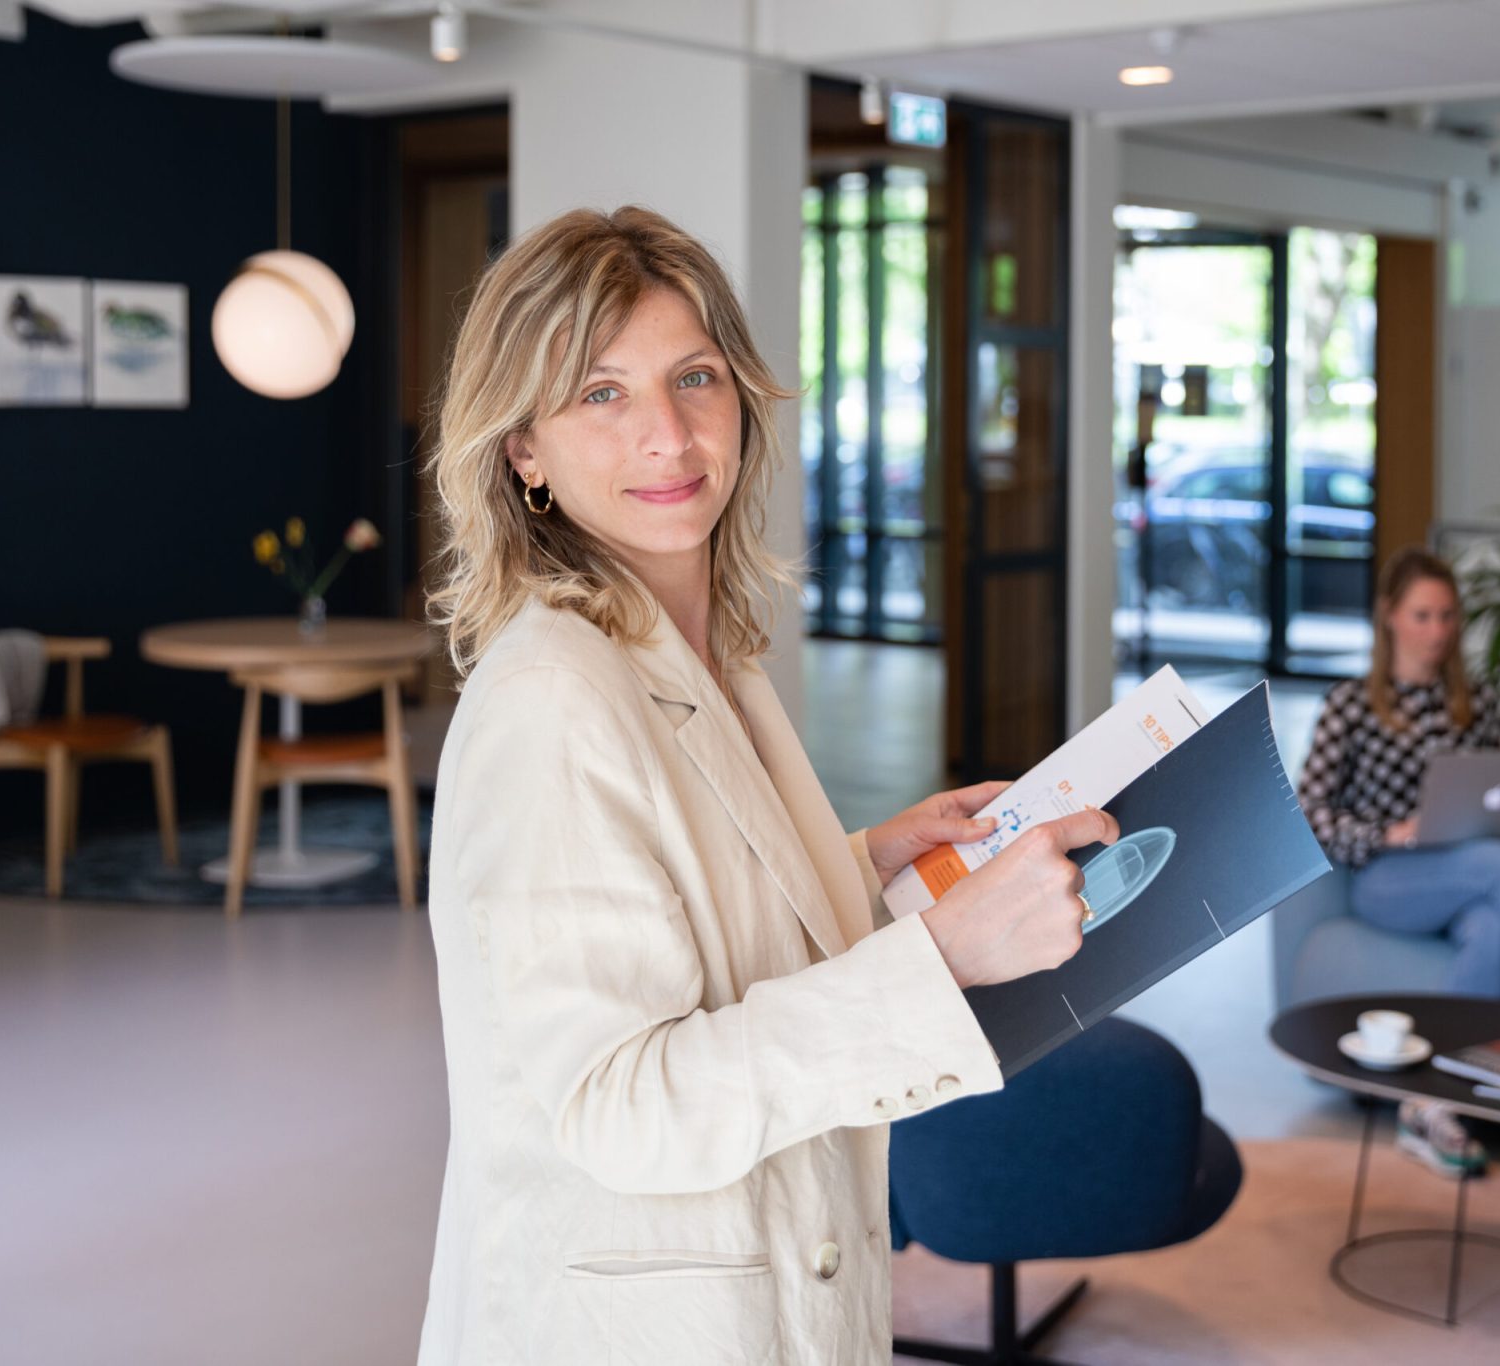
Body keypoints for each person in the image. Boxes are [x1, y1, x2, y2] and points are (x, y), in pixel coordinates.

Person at [415, 205, 1118, 1366]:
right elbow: (618, 1104)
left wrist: (865, 861)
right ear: (522, 450)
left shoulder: (707, 652)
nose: (668, 434)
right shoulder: (550, 698)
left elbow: (681, 904)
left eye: (693, 377)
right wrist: (939, 958)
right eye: (601, 392)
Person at [1297, 548, 1500, 1179]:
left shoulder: (1477, 702)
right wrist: (1389, 833)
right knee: (1499, 865)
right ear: (1389, 616)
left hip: (1465, 873)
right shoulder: (1350, 704)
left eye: (1446, 616)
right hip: (1386, 878)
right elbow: (1308, 813)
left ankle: (1430, 1105)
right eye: (1422, 616)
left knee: (1492, 925)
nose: (1437, 631)